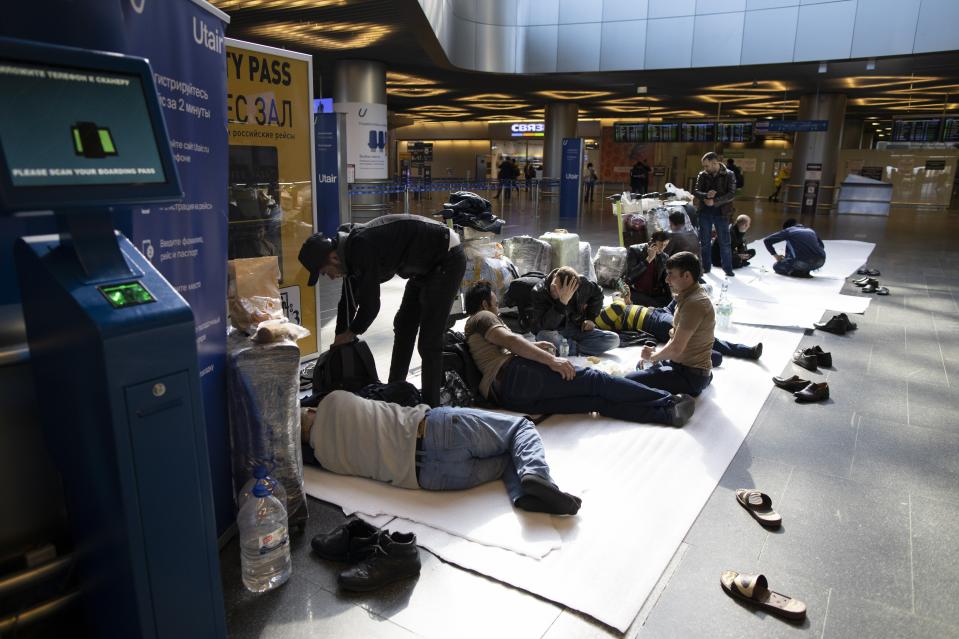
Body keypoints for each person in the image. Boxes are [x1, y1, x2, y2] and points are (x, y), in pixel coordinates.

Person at [301, 391, 581, 515]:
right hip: (437, 431)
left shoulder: (326, 460)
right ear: (311, 409)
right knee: (520, 427)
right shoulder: (335, 400)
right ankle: (537, 476)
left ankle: (523, 495)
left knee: (509, 456)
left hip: (434, 479)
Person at [463, 282, 696, 427]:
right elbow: (510, 340)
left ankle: (667, 415)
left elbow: (506, 344)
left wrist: (536, 347)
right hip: (517, 377)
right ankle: (668, 400)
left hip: (510, 395)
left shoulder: (472, 326)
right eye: (494, 303)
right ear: (484, 303)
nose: (497, 307)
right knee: (596, 380)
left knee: (596, 402)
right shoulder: (482, 317)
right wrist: (551, 360)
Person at [298, 214, 467, 407]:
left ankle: (432, 412)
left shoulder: (360, 247)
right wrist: (339, 338)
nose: (328, 276)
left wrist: (351, 332)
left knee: (429, 342)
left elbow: (370, 306)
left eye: (324, 271)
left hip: (447, 257)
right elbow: (347, 302)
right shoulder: (347, 253)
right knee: (404, 326)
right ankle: (395, 393)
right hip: (423, 266)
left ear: (333, 257)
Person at [628, 252, 715, 397]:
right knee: (641, 366)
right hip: (682, 366)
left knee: (629, 382)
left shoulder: (695, 303)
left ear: (687, 276)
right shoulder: (688, 296)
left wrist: (653, 357)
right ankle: (700, 381)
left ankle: (673, 405)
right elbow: (675, 339)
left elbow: (676, 348)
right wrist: (656, 357)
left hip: (689, 375)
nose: (667, 279)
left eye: (671, 274)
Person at [594, 293, 763, 364]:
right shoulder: (597, 320)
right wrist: (620, 299)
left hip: (657, 313)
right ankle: (745, 351)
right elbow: (618, 306)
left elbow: (622, 307)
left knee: (683, 294)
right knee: (697, 335)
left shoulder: (600, 313)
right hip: (655, 322)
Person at [529, 266, 619, 356]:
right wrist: (561, 303)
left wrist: (590, 318)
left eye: (558, 289)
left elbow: (598, 294)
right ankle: (577, 348)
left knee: (613, 339)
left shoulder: (582, 284)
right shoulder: (539, 291)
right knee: (543, 336)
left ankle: (567, 348)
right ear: (554, 276)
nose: (553, 289)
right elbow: (542, 327)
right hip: (554, 332)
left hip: (576, 328)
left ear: (571, 288)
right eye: (553, 286)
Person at [694, 152, 737, 277]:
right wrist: (706, 196)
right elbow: (696, 191)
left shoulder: (729, 174)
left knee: (724, 242)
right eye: (704, 166)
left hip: (722, 213)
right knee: (705, 242)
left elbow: (732, 194)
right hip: (704, 213)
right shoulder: (702, 174)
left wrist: (715, 201)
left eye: (707, 166)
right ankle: (706, 268)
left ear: (715, 163)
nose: (705, 168)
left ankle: (728, 268)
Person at [762, 218, 826, 278]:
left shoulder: (788, 231)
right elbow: (822, 246)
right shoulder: (811, 231)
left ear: (786, 228)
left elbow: (767, 240)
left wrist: (776, 256)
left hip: (802, 263)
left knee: (776, 266)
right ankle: (805, 270)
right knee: (803, 257)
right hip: (820, 262)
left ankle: (797, 272)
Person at [625, 231, 671, 307]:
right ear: (652, 242)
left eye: (665, 245)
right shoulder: (635, 250)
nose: (662, 248)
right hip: (636, 292)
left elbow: (665, 282)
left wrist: (671, 301)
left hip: (654, 294)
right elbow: (629, 277)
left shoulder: (664, 257)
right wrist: (648, 259)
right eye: (660, 244)